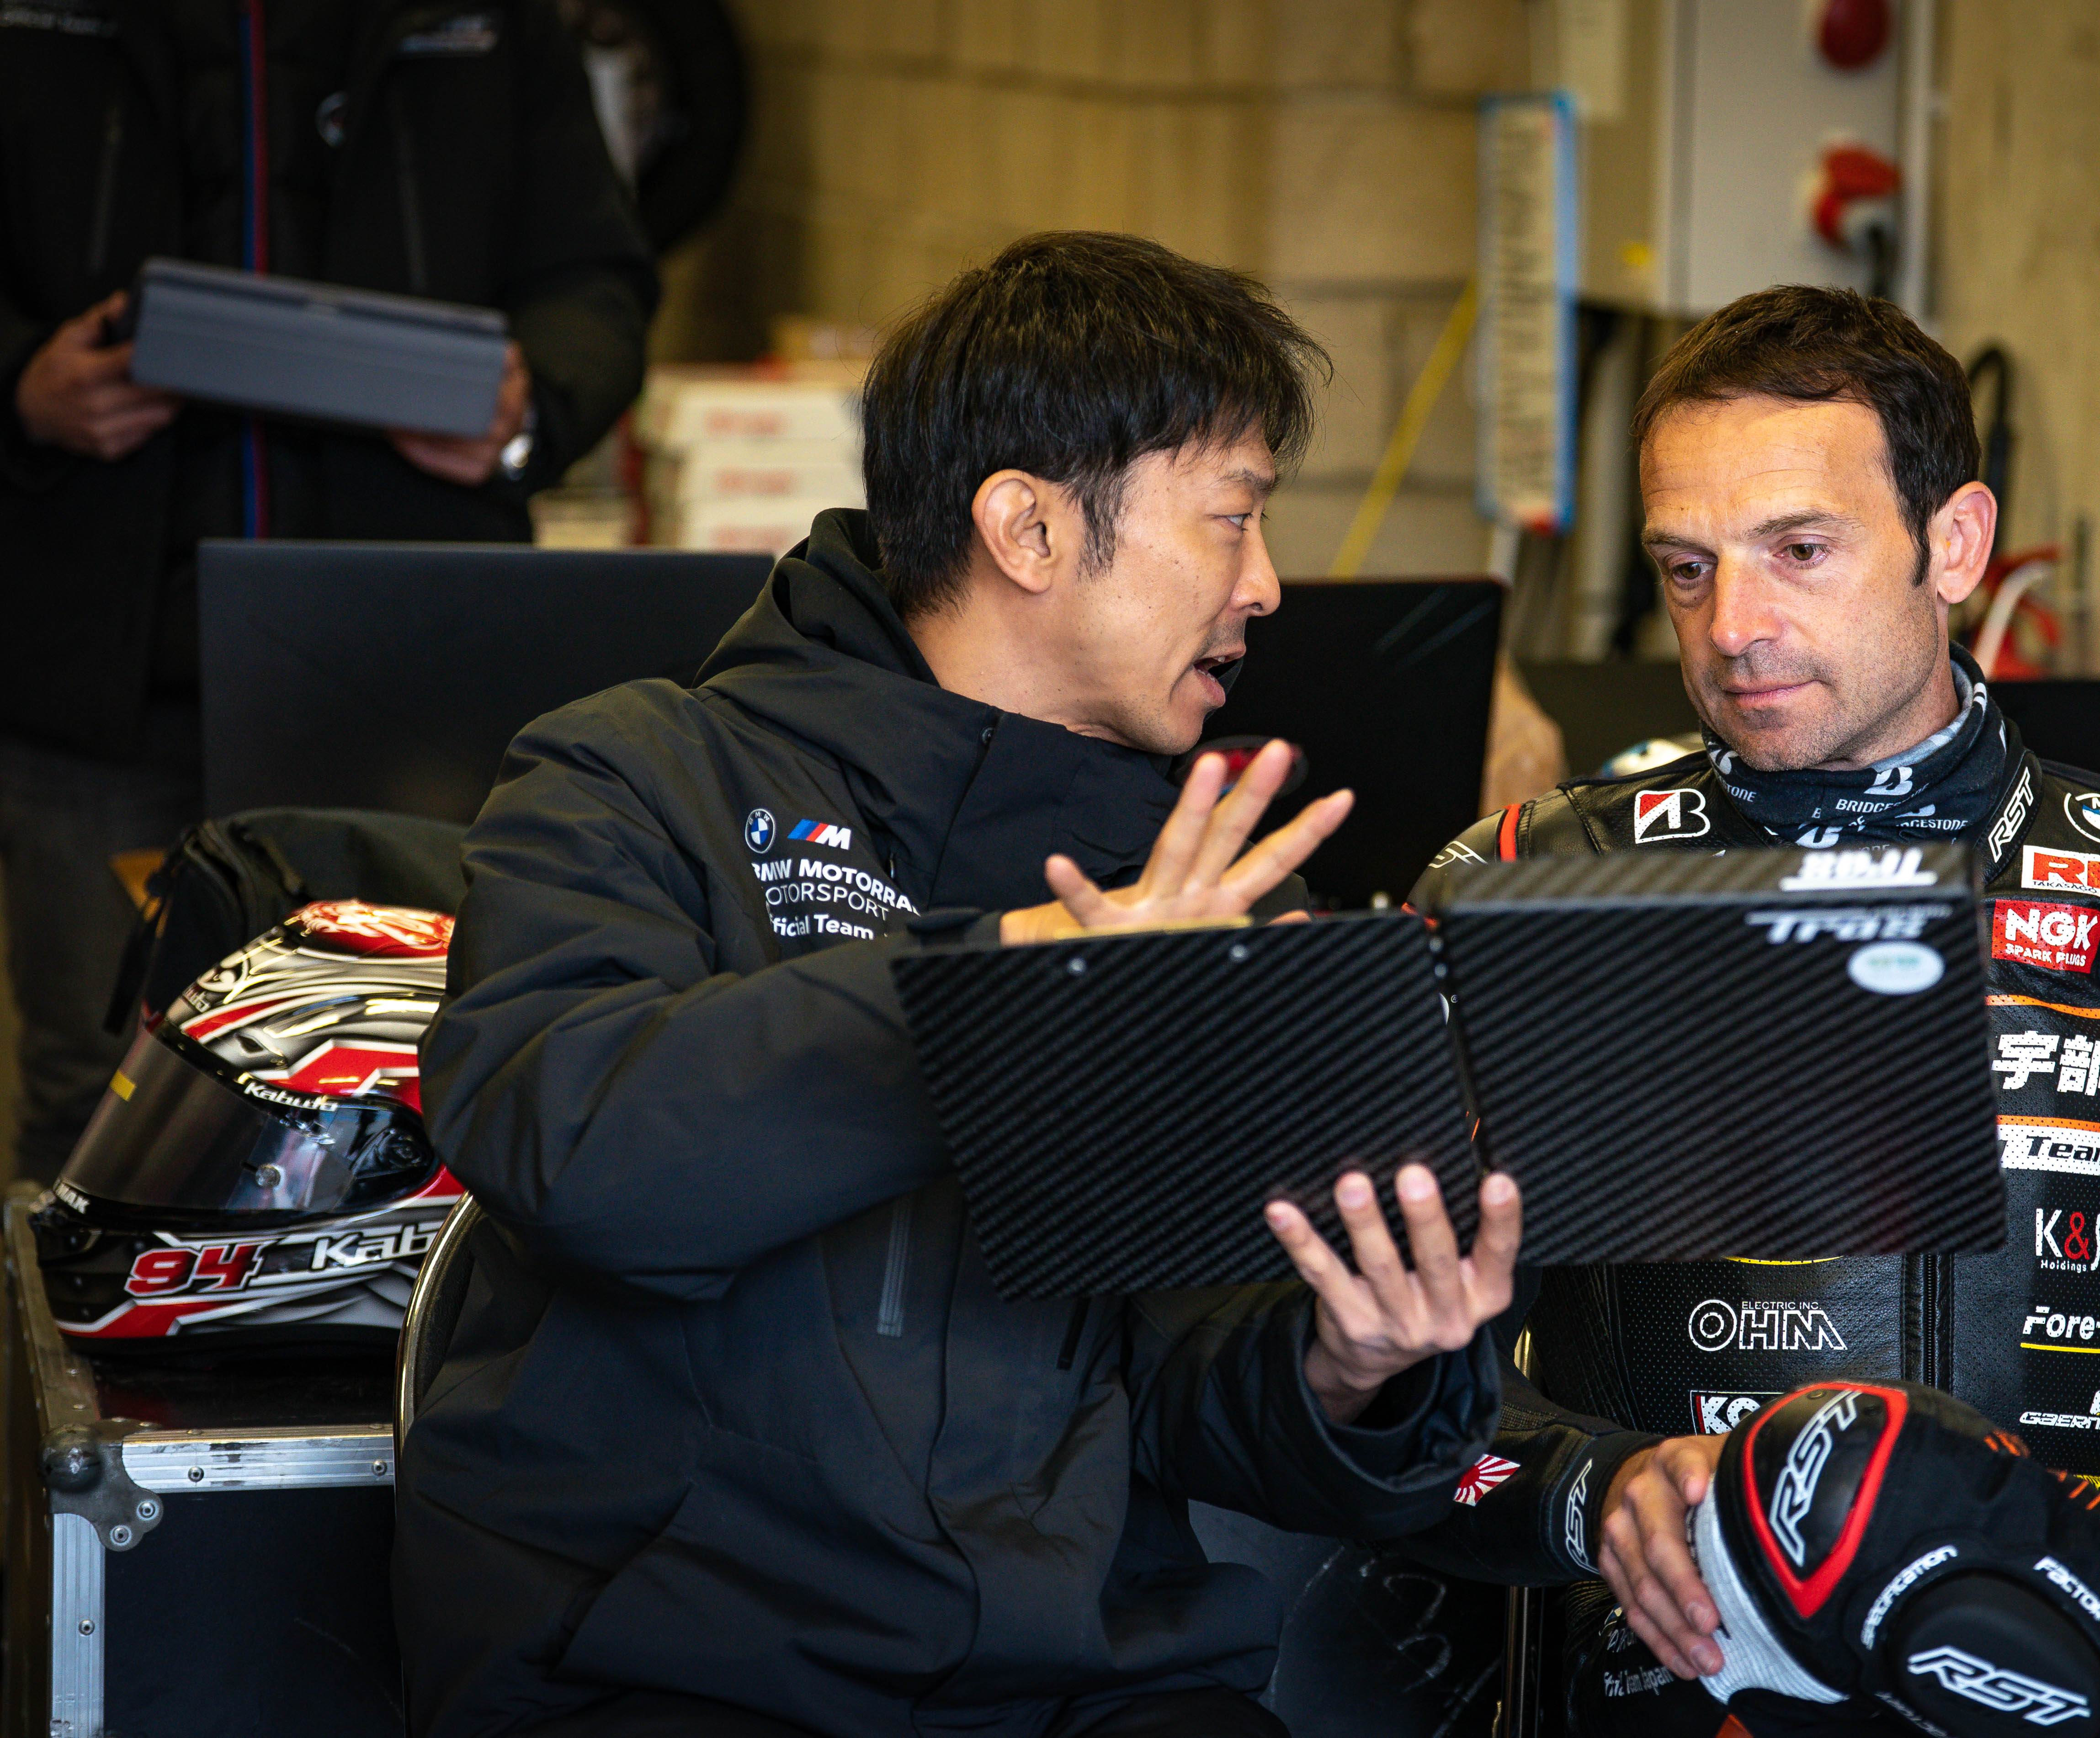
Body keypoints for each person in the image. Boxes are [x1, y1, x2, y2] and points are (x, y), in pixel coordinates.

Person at [396, 232, 1525, 1738]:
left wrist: (1349, 1365)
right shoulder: (637, 774)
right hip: (667, 1666)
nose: (1264, 585)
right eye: (1233, 517)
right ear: (1028, 529)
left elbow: (1192, 1381)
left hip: (1079, 1685)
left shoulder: (1206, 884)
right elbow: (579, 1144)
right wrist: (1023, 988)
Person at [1403, 286, 2100, 1734]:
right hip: (1668, 1690)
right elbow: (1361, 1382)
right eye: (1687, 568)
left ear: (1957, 544)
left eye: (1799, 551)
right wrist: (1587, 1487)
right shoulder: (1519, 886)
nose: (1732, 627)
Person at [0, 0, 656, 1180]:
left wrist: (527, 409)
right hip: (99, 678)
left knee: (425, 1090)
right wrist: (22, 386)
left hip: (408, 681)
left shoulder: (496, 21)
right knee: (97, 1106)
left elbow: (594, 277)